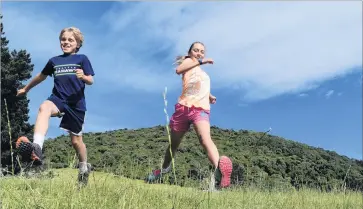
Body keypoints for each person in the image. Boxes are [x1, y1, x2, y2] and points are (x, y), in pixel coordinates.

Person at [145, 41, 233, 189]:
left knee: (205, 139)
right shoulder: (189, 62)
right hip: (183, 108)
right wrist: (201, 61)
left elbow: (199, 85)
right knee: (173, 144)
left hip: (201, 110)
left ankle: (220, 174)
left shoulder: (202, 73)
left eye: (202, 52)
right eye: (196, 50)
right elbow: (179, 70)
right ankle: (163, 170)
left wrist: (210, 96)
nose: (199, 53)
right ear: (190, 52)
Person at [15, 26, 95, 186]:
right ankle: (37, 147)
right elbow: (41, 76)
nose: (66, 42)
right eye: (63, 39)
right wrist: (26, 88)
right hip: (58, 99)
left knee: (76, 142)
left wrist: (84, 77)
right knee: (44, 107)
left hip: (76, 104)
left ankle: (84, 167)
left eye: (70, 40)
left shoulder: (82, 59)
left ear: (78, 43)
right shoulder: (54, 61)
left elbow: (91, 80)